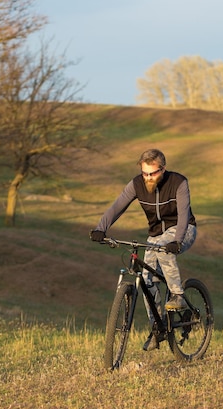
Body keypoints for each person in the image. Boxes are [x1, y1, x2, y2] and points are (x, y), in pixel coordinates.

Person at [90, 148, 197, 351]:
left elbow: (183, 216)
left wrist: (177, 240)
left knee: (162, 249)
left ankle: (177, 295)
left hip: (184, 231)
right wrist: (100, 228)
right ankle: (157, 328)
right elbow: (117, 206)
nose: (148, 177)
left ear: (163, 169)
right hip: (155, 235)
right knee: (147, 281)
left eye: (153, 173)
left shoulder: (178, 182)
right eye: (145, 173)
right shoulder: (136, 184)